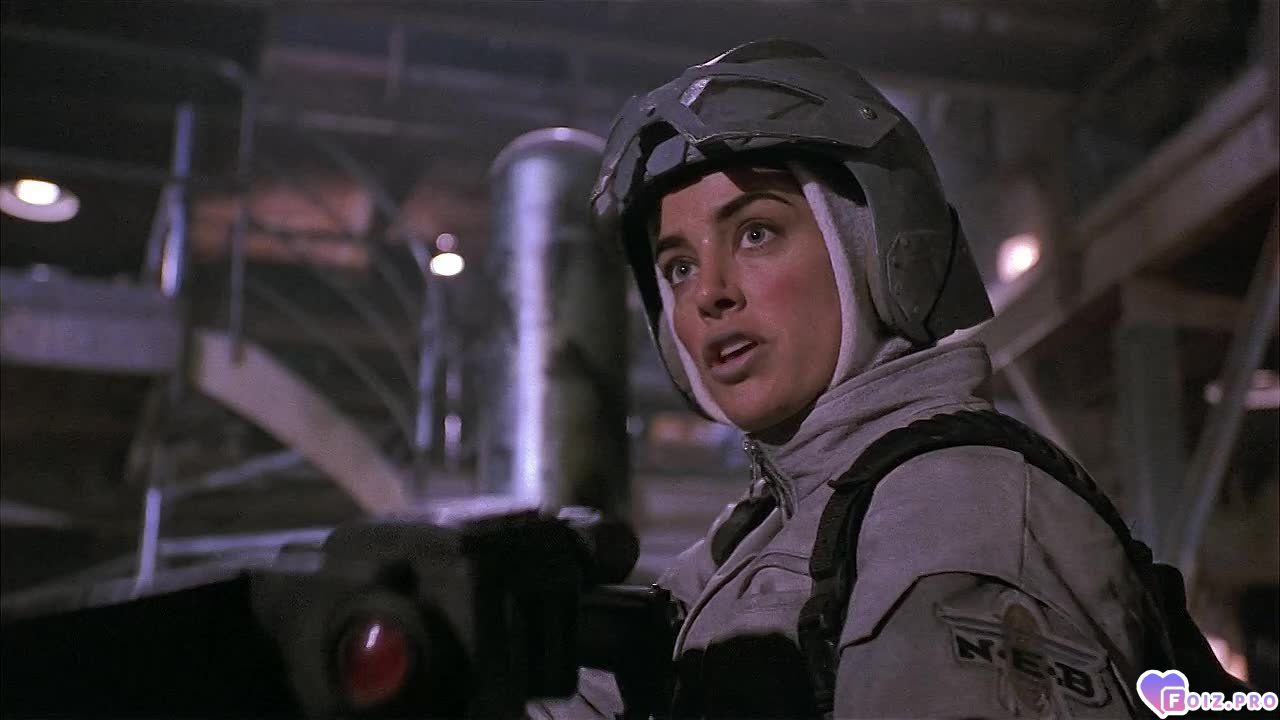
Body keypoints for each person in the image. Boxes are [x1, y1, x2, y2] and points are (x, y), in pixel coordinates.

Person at [533, 39, 1157, 719]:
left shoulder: (956, 511)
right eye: (679, 268)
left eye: (755, 233)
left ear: (870, 248)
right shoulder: (761, 533)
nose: (709, 293)